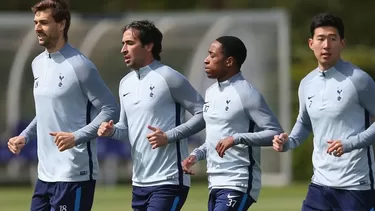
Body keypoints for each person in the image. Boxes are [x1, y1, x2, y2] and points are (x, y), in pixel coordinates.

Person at [7, 0, 119, 210]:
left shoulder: (80, 65)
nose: (37, 28)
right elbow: (46, 112)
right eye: (35, 22)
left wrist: (76, 137)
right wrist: (25, 135)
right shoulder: (37, 64)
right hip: (44, 175)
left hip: (74, 174)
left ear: (61, 24)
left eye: (44, 22)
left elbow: (111, 110)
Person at [97, 20, 205, 211]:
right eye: (123, 43)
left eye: (130, 43)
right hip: (139, 181)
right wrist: (112, 131)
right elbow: (125, 129)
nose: (123, 49)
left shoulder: (169, 77)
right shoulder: (125, 83)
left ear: (148, 46)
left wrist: (169, 136)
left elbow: (203, 114)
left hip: (169, 179)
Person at [272, 13, 375, 211]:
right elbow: (304, 123)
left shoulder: (359, 80)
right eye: (321, 39)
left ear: (342, 43)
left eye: (332, 38)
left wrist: (350, 144)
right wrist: (288, 142)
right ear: (311, 43)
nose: (326, 45)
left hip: (356, 186)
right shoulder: (306, 84)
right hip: (319, 185)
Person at [181, 36, 284, 211]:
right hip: (215, 182)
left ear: (229, 61)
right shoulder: (211, 92)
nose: (206, 60)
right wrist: (196, 155)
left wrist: (236, 138)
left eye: (212, 56)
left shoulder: (247, 93)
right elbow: (217, 139)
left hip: (239, 181)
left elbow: (275, 133)